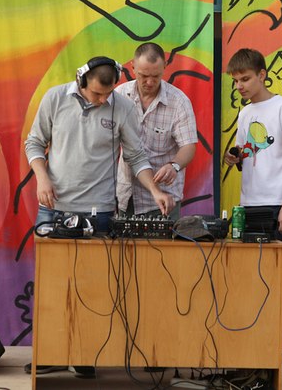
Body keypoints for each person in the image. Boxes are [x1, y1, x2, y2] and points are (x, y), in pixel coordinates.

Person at [24, 56, 175, 377]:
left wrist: (155, 190)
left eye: (107, 94)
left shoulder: (122, 107)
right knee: (52, 286)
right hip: (55, 208)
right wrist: (42, 177)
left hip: (100, 212)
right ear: (81, 81)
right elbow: (34, 143)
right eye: (96, 94)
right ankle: (51, 353)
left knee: (92, 287)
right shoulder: (55, 98)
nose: (102, 100)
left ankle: (84, 354)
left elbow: (136, 156)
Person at [224, 48, 282, 378]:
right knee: (254, 284)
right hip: (250, 205)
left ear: (262, 74)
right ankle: (258, 353)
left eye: (245, 79)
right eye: (236, 81)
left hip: (278, 205)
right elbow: (250, 151)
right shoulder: (246, 113)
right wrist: (236, 157)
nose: (240, 86)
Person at [115, 42, 197, 221]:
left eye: (156, 76)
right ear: (133, 67)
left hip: (164, 199)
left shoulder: (179, 102)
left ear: (165, 67)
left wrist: (174, 166)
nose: (150, 82)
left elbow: (189, 146)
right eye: (143, 76)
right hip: (125, 195)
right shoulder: (119, 95)